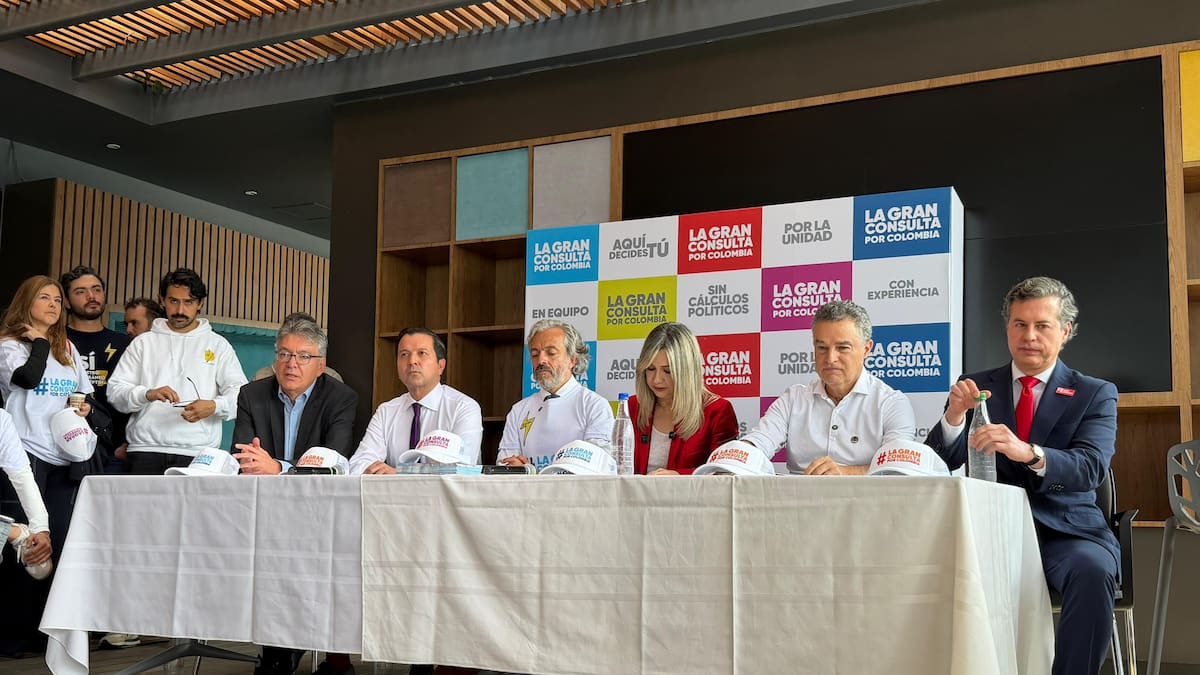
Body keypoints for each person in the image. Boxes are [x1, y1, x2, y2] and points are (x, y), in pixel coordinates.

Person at [924, 276, 1118, 675]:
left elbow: (1090, 467)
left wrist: (1028, 452)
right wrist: (955, 416)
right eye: (1020, 324)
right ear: (1008, 328)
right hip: (989, 532)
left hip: (1065, 533)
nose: (1029, 336)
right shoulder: (976, 385)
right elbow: (938, 461)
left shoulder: (1094, 393)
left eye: (1042, 325)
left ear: (1065, 331)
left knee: (1093, 571)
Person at [0, 275, 93, 656]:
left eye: (57, 299)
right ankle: (11, 634)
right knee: (25, 544)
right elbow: (26, 379)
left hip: (63, 457)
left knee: (58, 541)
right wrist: (38, 342)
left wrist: (82, 407)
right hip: (25, 454)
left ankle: (43, 631)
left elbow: (82, 390)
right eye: (45, 298)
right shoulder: (10, 346)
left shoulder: (66, 346)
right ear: (27, 302)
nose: (54, 305)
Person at [741, 300, 915, 475]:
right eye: (822, 348)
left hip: (865, 494)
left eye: (843, 348)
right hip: (800, 492)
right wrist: (737, 460)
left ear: (866, 349)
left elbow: (898, 467)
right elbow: (758, 442)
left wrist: (846, 473)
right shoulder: (793, 399)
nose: (830, 358)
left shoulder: (891, 403)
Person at [109, 268, 248, 474]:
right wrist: (147, 394)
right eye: (173, 301)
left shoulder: (218, 345)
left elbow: (242, 395)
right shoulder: (143, 343)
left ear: (200, 304)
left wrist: (214, 406)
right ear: (162, 300)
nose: (180, 310)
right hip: (145, 450)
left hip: (199, 453)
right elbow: (115, 392)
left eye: (188, 302)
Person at [232, 315, 358, 474]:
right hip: (261, 484)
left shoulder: (340, 398)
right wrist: (249, 460)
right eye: (284, 354)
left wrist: (279, 467)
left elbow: (333, 461)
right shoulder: (251, 395)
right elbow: (240, 453)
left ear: (320, 366)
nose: (291, 364)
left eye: (304, 357)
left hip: (314, 487)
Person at [348, 328, 482, 475]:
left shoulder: (463, 407)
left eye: (422, 353)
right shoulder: (386, 411)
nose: (412, 361)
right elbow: (358, 464)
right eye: (404, 354)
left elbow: (461, 468)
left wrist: (399, 474)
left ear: (440, 366)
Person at [497, 320, 613, 471]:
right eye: (535, 354)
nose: (541, 360)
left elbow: (596, 468)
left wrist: (529, 472)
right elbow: (505, 466)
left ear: (572, 360)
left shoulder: (594, 406)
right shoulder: (518, 410)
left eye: (551, 353)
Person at [628, 322, 738, 475]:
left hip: (689, 492)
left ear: (686, 371)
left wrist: (679, 477)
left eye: (668, 371)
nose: (657, 380)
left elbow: (724, 473)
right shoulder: (632, 406)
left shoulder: (718, 410)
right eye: (651, 369)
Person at [61, 266, 131, 473]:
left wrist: (130, 441)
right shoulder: (54, 342)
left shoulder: (126, 344)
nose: (91, 296)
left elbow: (136, 395)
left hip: (114, 451)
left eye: (97, 289)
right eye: (80, 291)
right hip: (62, 448)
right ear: (66, 301)